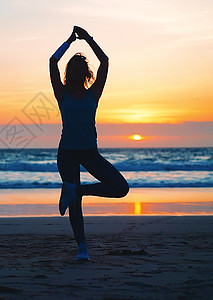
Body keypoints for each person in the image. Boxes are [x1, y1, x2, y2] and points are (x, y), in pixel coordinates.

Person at [49, 26, 129, 261]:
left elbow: (104, 60)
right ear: (68, 72)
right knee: (75, 203)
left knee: (121, 188)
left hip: (90, 153)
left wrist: (88, 39)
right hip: (67, 153)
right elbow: (52, 62)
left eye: (81, 66)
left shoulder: (94, 93)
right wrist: (69, 42)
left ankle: (77, 191)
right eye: (73, 66)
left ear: (86, 73)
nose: (77, 68)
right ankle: (81, 247)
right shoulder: (61, 93)